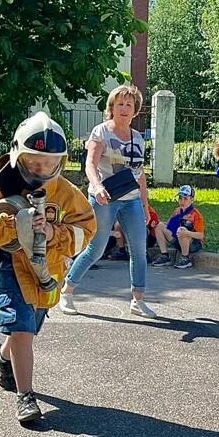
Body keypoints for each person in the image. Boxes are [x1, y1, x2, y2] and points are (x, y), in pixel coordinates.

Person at [0, 112, 96, 422]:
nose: (41, 169)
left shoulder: (65, 192)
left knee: (28, 327)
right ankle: (26, 397)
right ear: (17, 155)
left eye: (49, 164)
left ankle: (1, 356)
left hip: (46, 272)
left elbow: (86, 227)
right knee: (22, 328)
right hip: (10, 265)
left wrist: (53, 233)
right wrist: (12, 224)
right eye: (34, 162)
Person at [59, 84, 156, 318]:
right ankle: (67, 291)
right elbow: (90, 164)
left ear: (136, 110)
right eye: (120, 104)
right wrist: (98, 186)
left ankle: (138, 299)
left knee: (139, 250)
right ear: (112, 107)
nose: (124, 108)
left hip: (131, 200)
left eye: (129, 104)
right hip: (105, 198)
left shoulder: (138, 138)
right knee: (96, 248)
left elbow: (139, 174)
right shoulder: (101, 132)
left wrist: (145, 205)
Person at [150, 185, 205, 269]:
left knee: (181, 229)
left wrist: (187, 233)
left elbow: (201, 235)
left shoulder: (195, 214)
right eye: (180, 198)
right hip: (178, 240)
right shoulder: (177, 211)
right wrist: (156, 224)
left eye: (185, 199)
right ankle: (165, 255)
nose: (182, 201)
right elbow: (168, 225)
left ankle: (185, 258)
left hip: (193, 244)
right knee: (160, 225)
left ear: (192, 199)